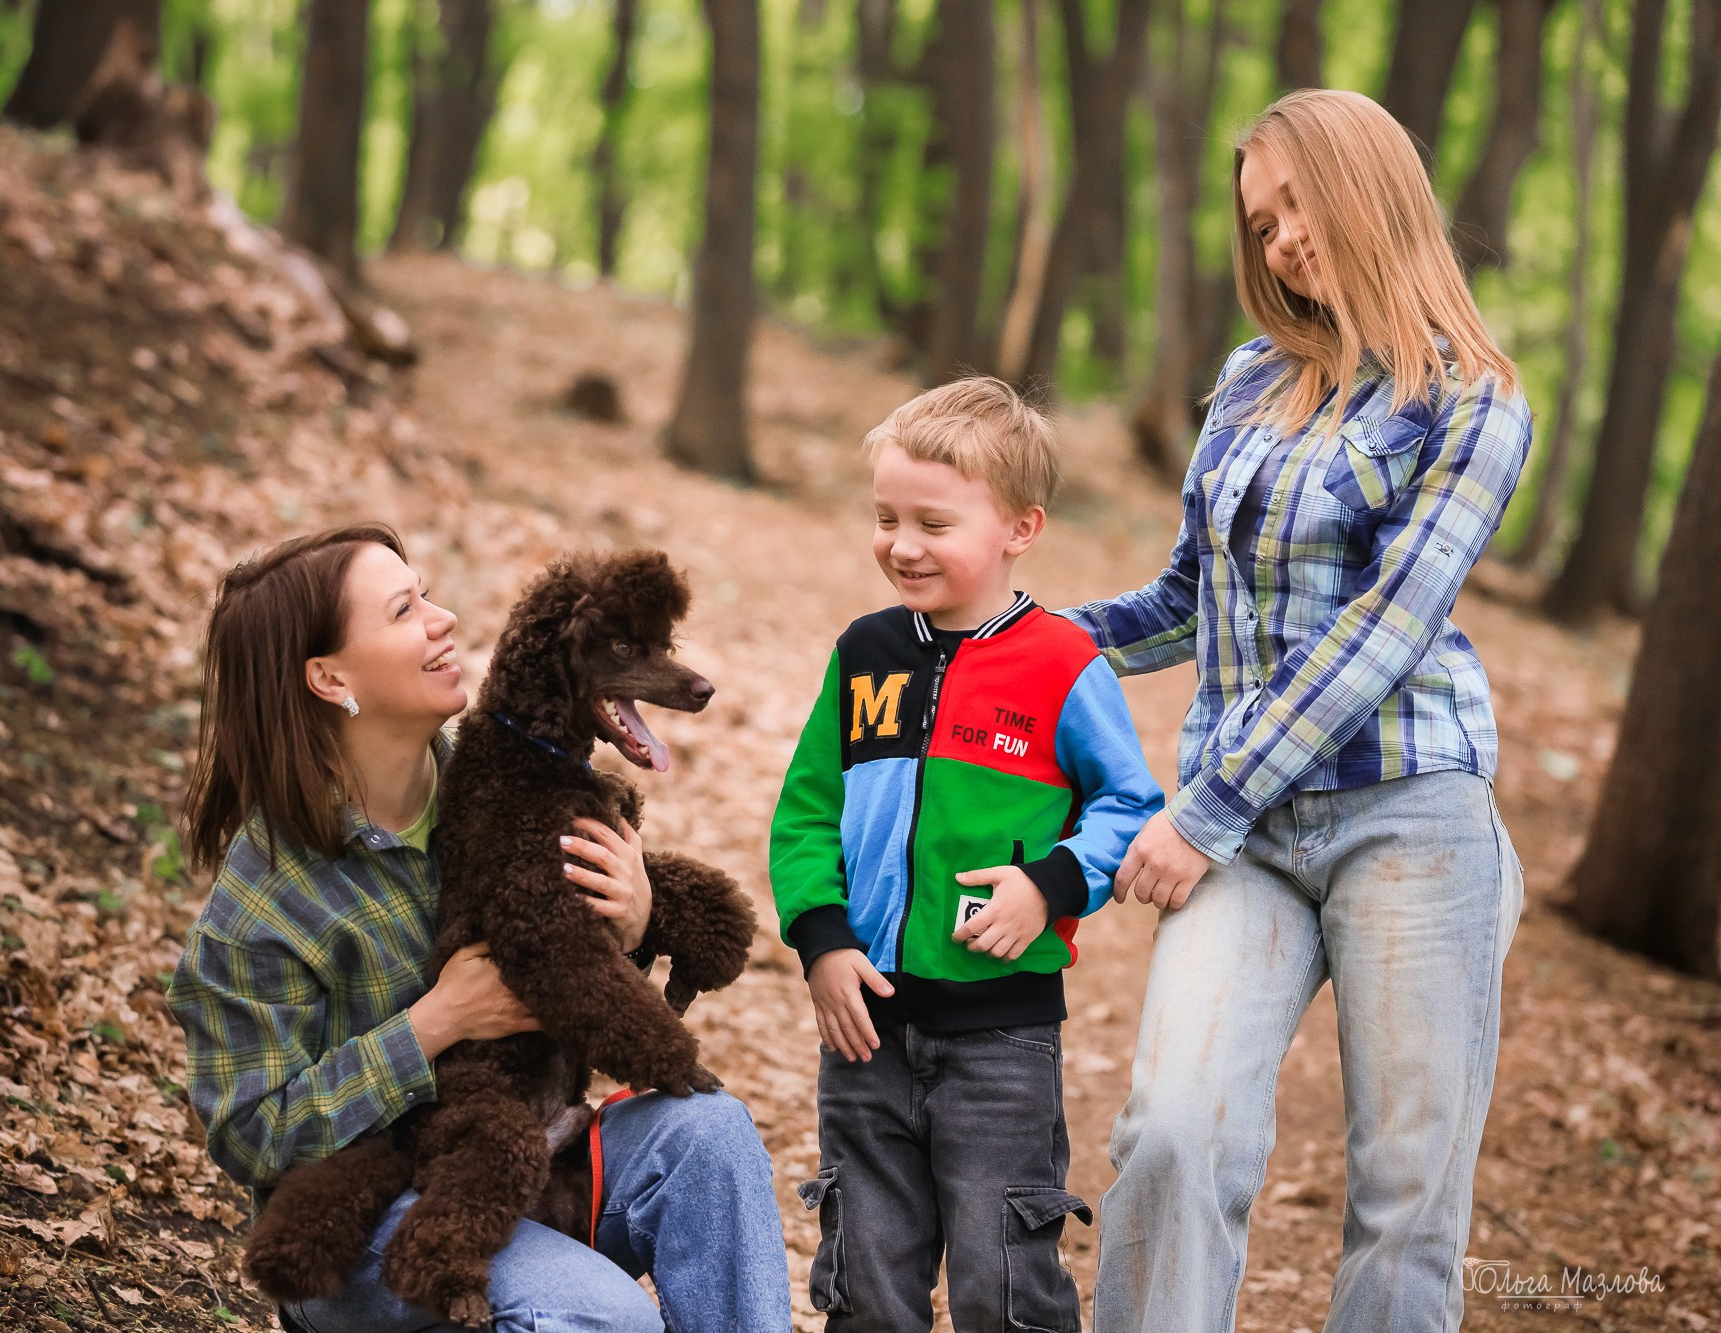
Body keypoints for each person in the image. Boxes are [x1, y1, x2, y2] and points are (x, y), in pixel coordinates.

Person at [1060, 89, 1532, 1332]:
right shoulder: (1251, 379)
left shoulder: (1473, 400)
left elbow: (1381, 630)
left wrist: (1199, 808)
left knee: (1402, 1195)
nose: (1276, 243)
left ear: (1364, 183)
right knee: (1170, 1129)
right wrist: (1035, 643)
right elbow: (1187, 598)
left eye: (1292, 205)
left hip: (1409, 817)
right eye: (1257, 223)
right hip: (1252, 837)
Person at [166, 523, 792, 1333]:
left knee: (711, 1133)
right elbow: (252, 1134)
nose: (443, 617)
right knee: (606, 1318)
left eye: (426, 591)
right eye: (403, 611)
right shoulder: (268, 900)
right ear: (329, 675)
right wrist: (434, 1023)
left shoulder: (500, 774)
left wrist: (634, 920)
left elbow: (559, 971)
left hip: (533, 1156)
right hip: (367, 1226)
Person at [769, 378, 1165, 1330]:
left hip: (1001, 1039)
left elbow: (1130, 805)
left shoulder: (1064, 661)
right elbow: (805, 809)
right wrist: (822, 942)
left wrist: (1048, 884)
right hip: (866, 1029)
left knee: (1003, 1281)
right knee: (865, 1277)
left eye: (933, 523)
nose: (902, 544)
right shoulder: (864, 652)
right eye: (887, 517)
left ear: (1020, 528)